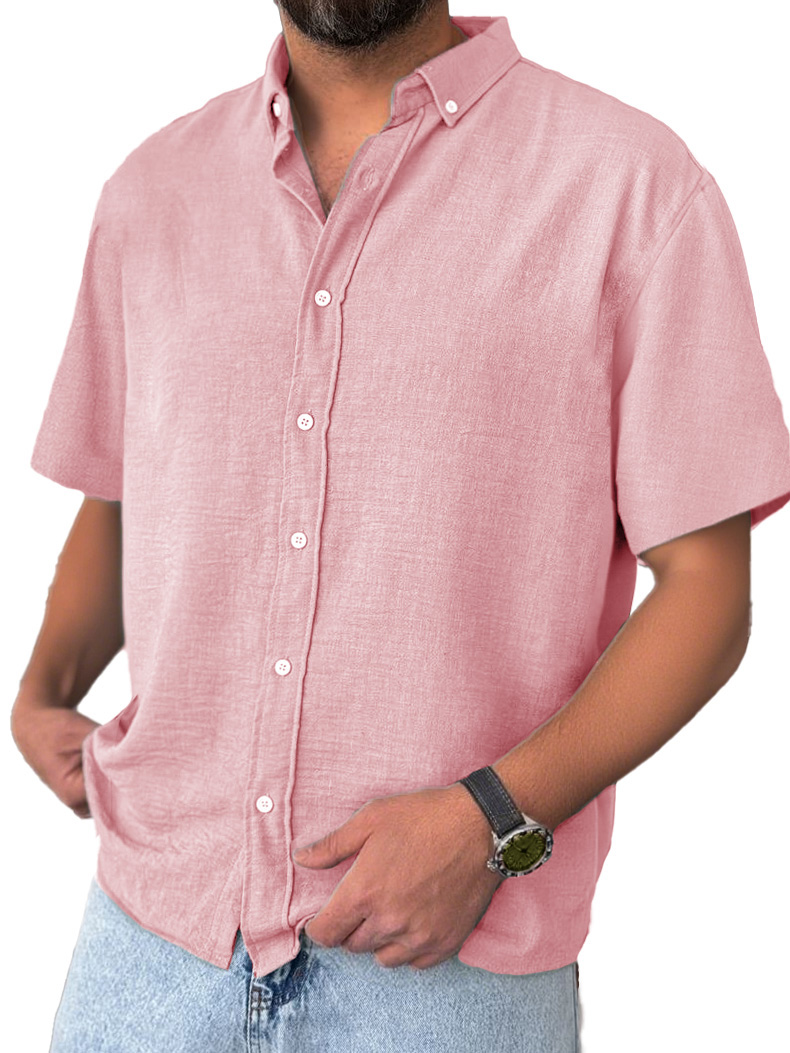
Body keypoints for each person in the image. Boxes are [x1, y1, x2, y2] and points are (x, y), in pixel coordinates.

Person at [12, 2, 790, 1051]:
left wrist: (493, 819)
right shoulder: (152, 192)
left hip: (444, 982)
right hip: (144, 952)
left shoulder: (632, 187)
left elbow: (708, 592)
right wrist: (43, 690)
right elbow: (128, 489)